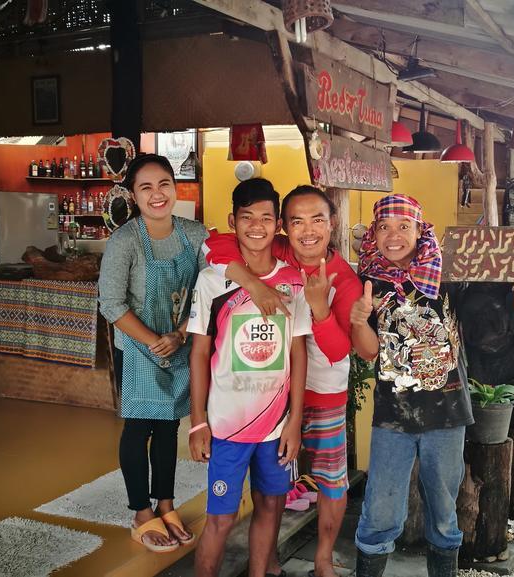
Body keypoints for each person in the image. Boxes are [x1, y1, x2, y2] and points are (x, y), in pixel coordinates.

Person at [349, 194, 514, 577]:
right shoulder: (367, 279)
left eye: (404, 226)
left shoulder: (448, 273)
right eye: (384, 227)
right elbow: (369, 353)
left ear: (421, 230)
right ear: (373, 232)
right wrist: (358, 320)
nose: (393, 235)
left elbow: (478, 324)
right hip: (392, 417)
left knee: (443, 512)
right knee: (380, 512)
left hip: (448, 414)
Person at [203, 185, 362, 577]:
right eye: (297, 221)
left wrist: (321, 308)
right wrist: (252, 282)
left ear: (333, 223)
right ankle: (268, 560)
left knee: (328, 477)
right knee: (273, 487)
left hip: (322, 392)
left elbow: (340, 351)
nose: (308, 231)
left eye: (318, 220)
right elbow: (216, 246)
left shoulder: (346, 278)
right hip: (268, 397)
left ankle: (322, 559)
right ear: (284, 228)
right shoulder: (278, 255)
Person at [187, 178, 312, 577]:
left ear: (277, 225)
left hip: (276, 426)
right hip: (226, 424)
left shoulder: (294, 282)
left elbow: (297, 351)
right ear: (232, 221)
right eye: (246, 218)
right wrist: (198, 421)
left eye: (265, 218)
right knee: (221, 520)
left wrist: (294, 421)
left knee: (271, 505)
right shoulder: (212, 281)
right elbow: (200, 351)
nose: (256, 226)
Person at [98, 153, 208, 553]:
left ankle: (166, 504)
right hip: (139, 348)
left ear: (175, 188)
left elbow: (210, 287)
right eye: (146, 187)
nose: (157, 194)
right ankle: (141, 512)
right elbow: (110, 303)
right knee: (139, 427)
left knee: (168, 428)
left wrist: (180, 333)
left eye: (164, 184)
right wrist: (152, 339)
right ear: (133, 195)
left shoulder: (195, 235)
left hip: (180, 343)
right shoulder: (125, 240)